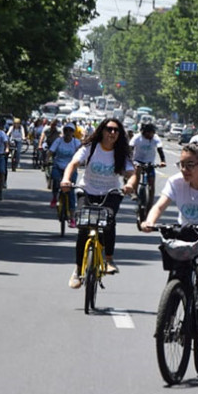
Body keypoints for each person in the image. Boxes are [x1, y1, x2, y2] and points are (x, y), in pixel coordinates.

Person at [141, 142, 198, 340]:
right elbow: (159, 206)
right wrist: (149, 221)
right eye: (182, 164)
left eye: (190, 165)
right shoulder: (176, 182)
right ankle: (168, 318)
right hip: (189, 233)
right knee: (177, 271)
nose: (185, 170)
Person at [60, 118, 139, 287]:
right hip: (87, 190)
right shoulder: (90, 148)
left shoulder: (121, 153)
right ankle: (78, 270)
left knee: (108, 220)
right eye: (109, 129)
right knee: (83, 227)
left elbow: (132, 173)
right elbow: (73, 164)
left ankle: (109, 259)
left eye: (116, 130)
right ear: (102, 130)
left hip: (111, 193)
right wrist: (66, 179)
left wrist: (130, 184)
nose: (112, 133)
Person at [129, 121, 168, 205]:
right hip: (138, 160)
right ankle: (134, 192)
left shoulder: (155, 138)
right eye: (149, 133)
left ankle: (150, 202)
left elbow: (159, 149)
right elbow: (130, 148)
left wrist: (163, 161)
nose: (151, 135)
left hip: (149, 162)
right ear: (144, 132)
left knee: (151, 181)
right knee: (137, 171)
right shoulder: (137, 137)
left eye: (152, 133)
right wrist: (130, 160)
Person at [48, 123, 83, 215]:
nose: (68, 132)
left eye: (70, 130)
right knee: (55, 180)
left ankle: (72, 215)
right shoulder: (58, 141)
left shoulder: (76, 142)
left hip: (71, 168)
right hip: (58, 166)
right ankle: (55, 197)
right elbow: (50, 152)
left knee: (71, 189)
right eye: (66, 130)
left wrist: (82, 161)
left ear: (73, 132)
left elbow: (82, 154)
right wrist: (46, 160)